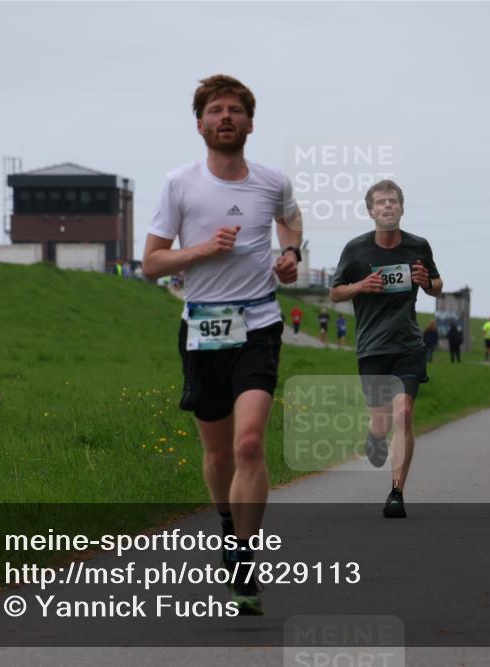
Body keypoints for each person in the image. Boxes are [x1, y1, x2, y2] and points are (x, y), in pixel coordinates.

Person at [142, 74, 302, 614]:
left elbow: (291, 219)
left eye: (235, 109)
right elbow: (151, 264)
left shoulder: (272, 182)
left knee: (249, 443)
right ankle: (229, 523)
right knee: (216, 452)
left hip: (258, 324)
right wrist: (204, 250)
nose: (226, 117)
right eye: (215, 110)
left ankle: (244, 560)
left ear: (250, 124)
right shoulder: (179, 184)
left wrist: (291, 254)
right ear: (201, 124)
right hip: (203, 327)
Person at [330, 179, 442, 518]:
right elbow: (335, 293)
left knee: (403, 414)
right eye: (381, 202)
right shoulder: (356, 250)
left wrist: (427, 283)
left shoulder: (418, 246)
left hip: (408, 345)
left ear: (402, 207)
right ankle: (374, 436)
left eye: (393, 201)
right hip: (372, 348)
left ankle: (396, 493)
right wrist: (362, 285)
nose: (388, 206)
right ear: (370, 210)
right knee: (380, 421)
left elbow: (437, 285)